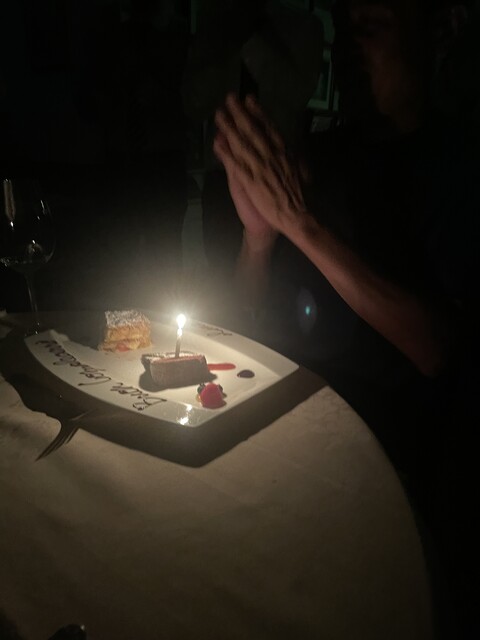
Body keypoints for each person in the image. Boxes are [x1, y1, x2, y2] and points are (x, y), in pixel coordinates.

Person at [213, 1, 480, 637]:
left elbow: (437, 348)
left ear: (434, 36)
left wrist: (302, 226)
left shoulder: (459, 166)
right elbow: (246, 323)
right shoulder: (318, 156)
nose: (348, 48)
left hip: (388, 473)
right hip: (281, 445)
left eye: (374, 27)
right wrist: (257, 240)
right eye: (343, 30)